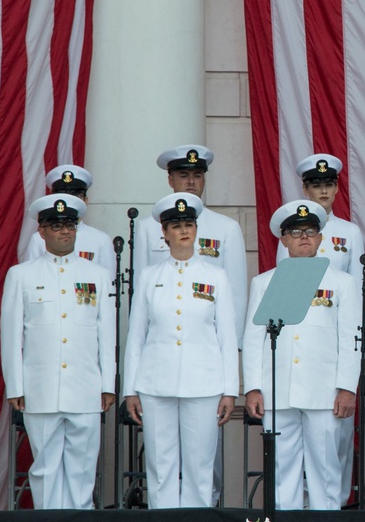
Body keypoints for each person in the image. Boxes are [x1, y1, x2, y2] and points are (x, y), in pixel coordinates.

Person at [123, 192, 238, 509]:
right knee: (161, 468)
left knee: (200, 468)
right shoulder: (149, 277)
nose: (184, 230)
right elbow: (136, 336)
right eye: (176, 226)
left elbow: (226, 336)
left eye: (189, 224)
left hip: (203, 384)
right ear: (164, 233)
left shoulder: (216, 277)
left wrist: (230, 389)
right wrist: (130, 389)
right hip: (155, 383)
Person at [0, 195, 115, 509]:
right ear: (41, 231)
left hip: (85, 388)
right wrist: (16, 386)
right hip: (41, 388)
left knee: (82, 470)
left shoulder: (97, 276)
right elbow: (10, 336)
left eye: (69, 225)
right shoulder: (21, 275)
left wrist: (107, 385)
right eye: (56, 225)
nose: (64, 231)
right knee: (45, 470)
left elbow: (106, 336)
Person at [243, 200, 358, 510]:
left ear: (321, 238)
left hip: (325, 391)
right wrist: (253, 386)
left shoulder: (342, 284)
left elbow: (351, 339)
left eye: (311, 231)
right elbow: (254, 339)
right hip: (277, 389)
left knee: (326, 471)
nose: (304, 237)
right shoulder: (264, 283)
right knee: (281, 469)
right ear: (284, 239)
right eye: (296, 232)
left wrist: (347, 386)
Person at [135, 145, 248, 343]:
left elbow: (236, 292)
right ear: (171, 180)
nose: (190, 181)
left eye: (197, 175)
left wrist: (233, 342)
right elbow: (139, 290)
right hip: (161, 337)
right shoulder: (147, 227)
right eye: (184, 175)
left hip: (207, 337)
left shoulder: (227, 228)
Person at [275, 153, 365, 273]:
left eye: (328, 185)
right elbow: (283, 274)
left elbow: (356, 281)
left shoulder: (351, 231)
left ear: (336, 188)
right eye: (317, 186)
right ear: (305, 189)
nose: (324, 191)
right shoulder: (291, 231)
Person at [22, 164, 116, 275]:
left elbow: (109, 283)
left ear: (85, 200)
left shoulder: (101, 240)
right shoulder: (38, 239)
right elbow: (29, 277)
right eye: (62, 196)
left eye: (75, 197)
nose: (67, 201)